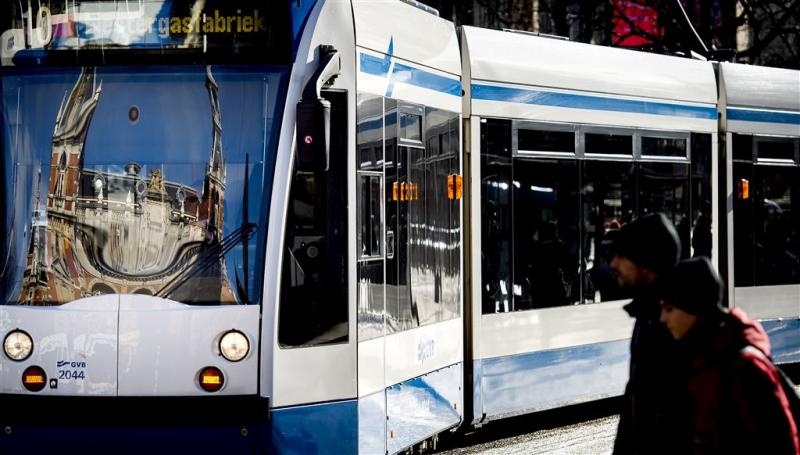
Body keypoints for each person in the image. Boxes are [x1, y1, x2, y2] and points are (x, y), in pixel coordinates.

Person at [659, 257, 799, 454]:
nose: (663, 318)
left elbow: (780, 442)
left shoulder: (743, 367)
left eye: (669, 309)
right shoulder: (700, 357)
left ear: (694, 308)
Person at [611, 213, 686, 455]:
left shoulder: (672, 326)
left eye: (622, 256)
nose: (613, 264)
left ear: (645, 263)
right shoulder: (648, 316)